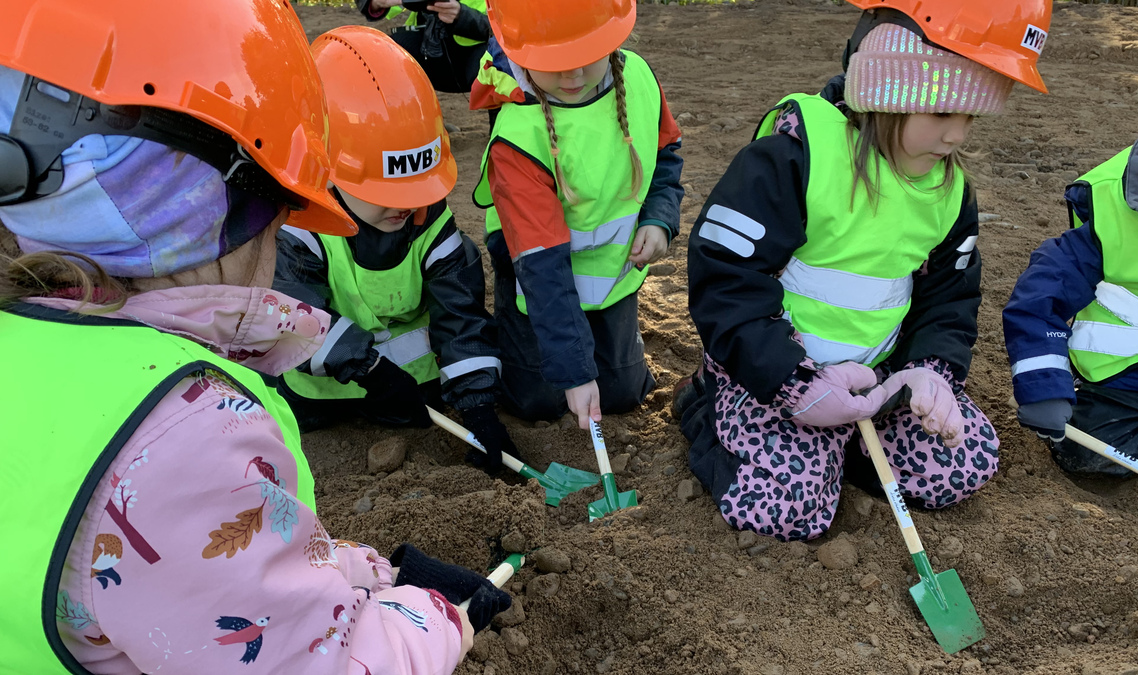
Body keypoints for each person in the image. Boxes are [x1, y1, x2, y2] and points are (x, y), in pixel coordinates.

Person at [0, 2, 507, 672]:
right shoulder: (183, 443)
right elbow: (328, 662)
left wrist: (374, 572)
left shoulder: (43, 344)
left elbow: (206, 572)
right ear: (225, 216)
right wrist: (440, 618)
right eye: (280, 217)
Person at [677, 0, 1052, 541]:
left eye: (970, 116)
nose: (956, 137)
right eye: (943, 113)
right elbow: (726, 281)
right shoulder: (793, 158)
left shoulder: (950, 192)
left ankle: (840, 447)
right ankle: (709, 412)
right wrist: (792, 382)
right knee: (786, 510)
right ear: (887, 87)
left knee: (963, 463)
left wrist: (930, 372)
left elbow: (949, 296)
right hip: (778, 379)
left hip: (881, 381)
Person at [274, 26, 520, 473]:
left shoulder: (431, 223)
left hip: (416, 392)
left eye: (413, 189)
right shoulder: (296, 229)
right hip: (318, 397)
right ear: (326, 168)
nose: (404, 205)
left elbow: (460, 317)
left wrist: (480, 412)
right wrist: (368, 370)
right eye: (384, 190)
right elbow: (290, 318)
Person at [470, 0, 685, 429]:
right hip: (533, 272)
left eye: (586, 58)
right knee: (539, 400)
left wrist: (659, 219)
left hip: (609, 277)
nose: (572, 76)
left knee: (623, 392)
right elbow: (542, 264)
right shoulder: (518, 135)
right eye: (554, 63)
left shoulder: (638, 78)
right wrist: (575, 372)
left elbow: (665, 155)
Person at [1004, 66, 1138, 476]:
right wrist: (1044, 386)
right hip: (1124, 385)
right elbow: (1040, 299)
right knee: (1087, 454)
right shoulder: (1109, 219)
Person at [357, 0, 489, 95]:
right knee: (387, 53)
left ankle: (500, 132)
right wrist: (374, 3)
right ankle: (419, 126)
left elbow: (507, 27)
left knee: (499, 67)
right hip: (430, 48)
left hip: (480, 55)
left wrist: (462, 16)